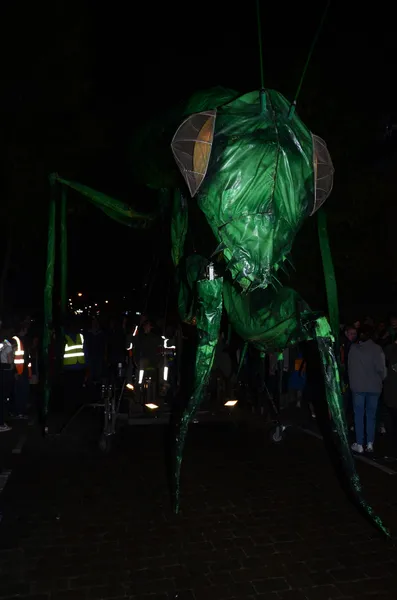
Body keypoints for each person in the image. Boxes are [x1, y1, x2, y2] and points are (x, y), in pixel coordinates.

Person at [348, 325, 386, 453]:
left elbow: (349, 368)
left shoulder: (353, 349)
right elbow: (382, 369)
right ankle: (370, 443)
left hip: (358, 387)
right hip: (374, 387)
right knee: (371, 415)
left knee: (358, 415)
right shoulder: (377, 349)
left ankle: (359, 443)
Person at [382, 341, 397, 458]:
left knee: (391, 424)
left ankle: (392, 452)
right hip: (391, 394)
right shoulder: (390, 350)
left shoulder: (389, 350)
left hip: (390, 394)